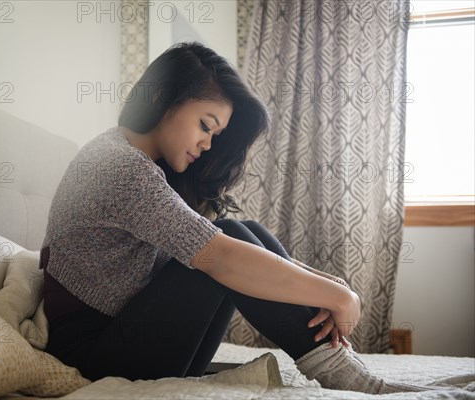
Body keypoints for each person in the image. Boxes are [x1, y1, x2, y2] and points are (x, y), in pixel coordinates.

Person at [40, 42, 435, 394]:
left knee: (241, 233)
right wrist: (339, 297)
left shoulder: (134, 162)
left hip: (124, 343)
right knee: (225, 242)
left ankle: (339, 366)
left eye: (215, 134)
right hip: (94, 359)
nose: (208, 144)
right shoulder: (120, 168)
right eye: (205, 125)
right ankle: (339, 370)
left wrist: (325, 283)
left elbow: (232, 246)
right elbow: (223, 256)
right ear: (163, 99)